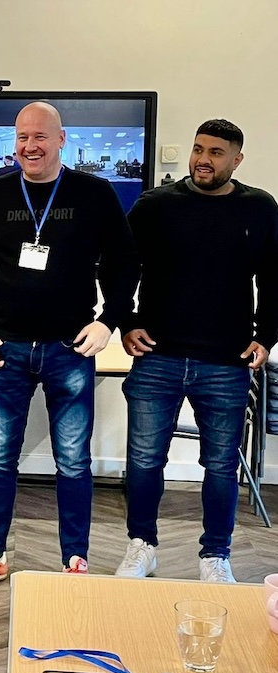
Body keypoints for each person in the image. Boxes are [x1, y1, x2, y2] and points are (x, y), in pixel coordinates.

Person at [0, 101, 138, 595]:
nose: (30, 146)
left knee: (73, 462)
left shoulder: (94, 194)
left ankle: (74, 560)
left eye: (40, 136)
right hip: (7, 349)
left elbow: (125, 264)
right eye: (22, 137)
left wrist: (108, 323)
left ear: (61, 139)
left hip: (69, 349)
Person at [116, 119, 278, 583]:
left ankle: (215, 556)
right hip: (157, 356)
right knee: (144, 460)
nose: (203, 160)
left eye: (216, 153)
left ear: (237, 160)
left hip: (226, 361)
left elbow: (275, 277)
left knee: (222, 465)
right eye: (198, 149)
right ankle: (142, 546)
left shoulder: (259, 208)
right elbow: (121, 266)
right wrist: (126, 322)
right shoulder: (155, 205)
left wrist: (266, 336)